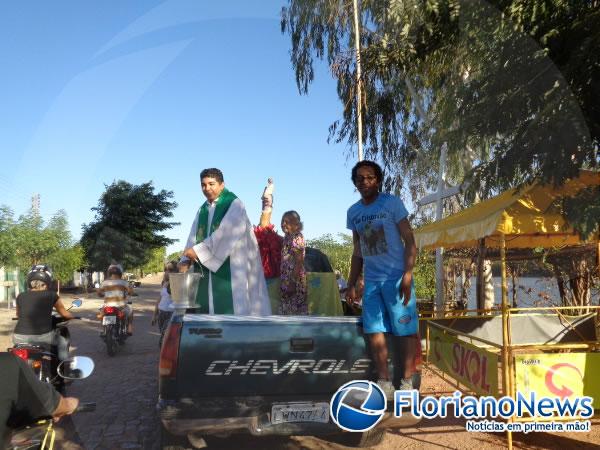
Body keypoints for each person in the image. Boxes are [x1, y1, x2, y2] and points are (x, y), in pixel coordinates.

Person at [345, 160, 419, 398]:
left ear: (378, 180)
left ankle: (407, 383)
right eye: (359, 179)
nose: (364, 182)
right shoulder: (353, 212)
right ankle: (384, 382)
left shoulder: (392, 203)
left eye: (369, 177)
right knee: (374, 331)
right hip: (372, 282)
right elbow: (358, 250)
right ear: (355, 183)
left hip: (396, 278)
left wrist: (407, 274)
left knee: (404, 331)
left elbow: (410, 240)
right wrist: (352, 283)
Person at [183, 168, 271, 315]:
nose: (207, 188)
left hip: (233, 268)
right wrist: (185, 259)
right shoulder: (202, 210)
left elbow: (226, 234)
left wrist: (198, 251)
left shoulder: (234, 203)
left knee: (234, 311)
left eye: (212, 184)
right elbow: (193, 236)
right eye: (203, 185)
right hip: (206, 273)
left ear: (222, 185)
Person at [0, 352, 79, 447]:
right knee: (61, 349)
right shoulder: (7, 364)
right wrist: (70, 405)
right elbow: (54, 405)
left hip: (21, 340)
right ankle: (64, 370)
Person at [13, 265, 75, 361]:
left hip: (19, 337)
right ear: (47, 282)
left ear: (29, 281)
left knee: (17, 355)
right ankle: (64, 365)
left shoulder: (20, 296)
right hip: (43, 337)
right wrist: (72, 317)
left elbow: (18, 314)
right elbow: (64, 314)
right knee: (62, 339)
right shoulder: (52, 295)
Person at [279, 211, 308, 315]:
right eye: (282, 221)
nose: (283, 224)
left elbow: (299, 261)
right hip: (287, 281)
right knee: (287, 311)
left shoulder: (297, 237)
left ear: (297, 225)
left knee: (295, 314)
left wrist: (292, 282)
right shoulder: (287, 238)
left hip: (294, 281)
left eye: (287, 222)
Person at [97, 264, 134, 335]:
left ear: (110, 273)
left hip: (107, 306)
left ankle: (103, 329)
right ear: (120, 273)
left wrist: (102, 295)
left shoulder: (104, 283)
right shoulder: (124, 282)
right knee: (131, 311)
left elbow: (99, 293)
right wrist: (129, 293)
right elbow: (130, 292)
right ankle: (129, 328)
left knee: (101, 313)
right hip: (120, 307)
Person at [152, 260, 178, 347]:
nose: (167, 272)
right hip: (161, 313)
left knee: (164, 337)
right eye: (166, 269)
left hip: (171, 314)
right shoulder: (164, 283)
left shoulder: (178, 283)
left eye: (170, 269)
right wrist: (154, 315)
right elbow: (159, 299)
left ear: (176, 270)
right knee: (164, 337)